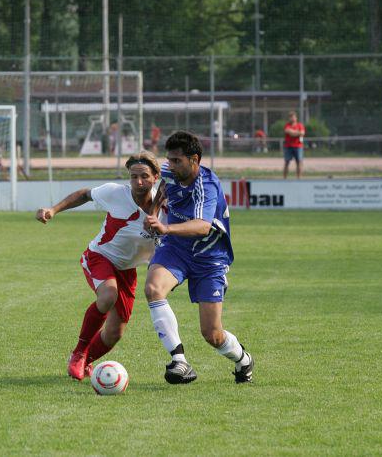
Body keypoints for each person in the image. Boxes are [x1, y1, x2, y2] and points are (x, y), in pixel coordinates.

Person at [36, 151, 162, 381]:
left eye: (144, 176)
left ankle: (87, 362)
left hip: (127, 269)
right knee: (107, 296)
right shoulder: (115, 193)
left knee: (115, 332)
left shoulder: (165, 208)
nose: (138, 182)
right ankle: (79, 352)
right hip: (99, 257)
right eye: (134, 177)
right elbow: (85, 194)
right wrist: (53, 210)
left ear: (156, 176)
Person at [144, 130, 253, 385]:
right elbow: (162, 189)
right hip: (176, 249)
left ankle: (243, 359)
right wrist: (154, 213)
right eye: (169, 159)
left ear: (195, 159)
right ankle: (179, 361)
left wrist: (166, 227)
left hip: (209, 258)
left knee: (212, 334)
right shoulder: (170, 171)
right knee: (152, 288)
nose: (170, 165)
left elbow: (203, 226)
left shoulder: (207, 184)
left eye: (177, 160)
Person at [283, 111, 305, 179]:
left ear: (296, 118)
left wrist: (293, 132)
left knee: (299, 162)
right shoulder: (287, 125)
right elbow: (288, 131)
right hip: (288, 146)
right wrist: (296, 133)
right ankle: (284, 178)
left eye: (293, 117)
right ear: (289, 118)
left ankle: (299, 178)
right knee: (287, 162)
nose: (292, 118)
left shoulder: (300, 125)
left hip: (298, 146)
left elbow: (302, 133)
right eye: (291, 117)